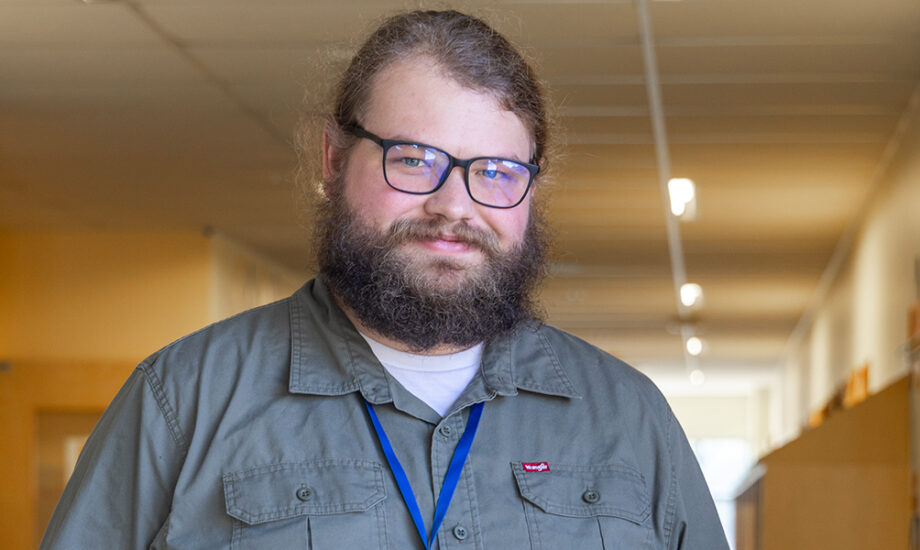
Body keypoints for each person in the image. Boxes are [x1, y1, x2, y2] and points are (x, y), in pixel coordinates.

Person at [41, 10, 729, 550]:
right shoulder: (182, 403)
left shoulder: (629, 420)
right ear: (334, 161)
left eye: (495, 172)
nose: (455, 207)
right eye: (414, 159)